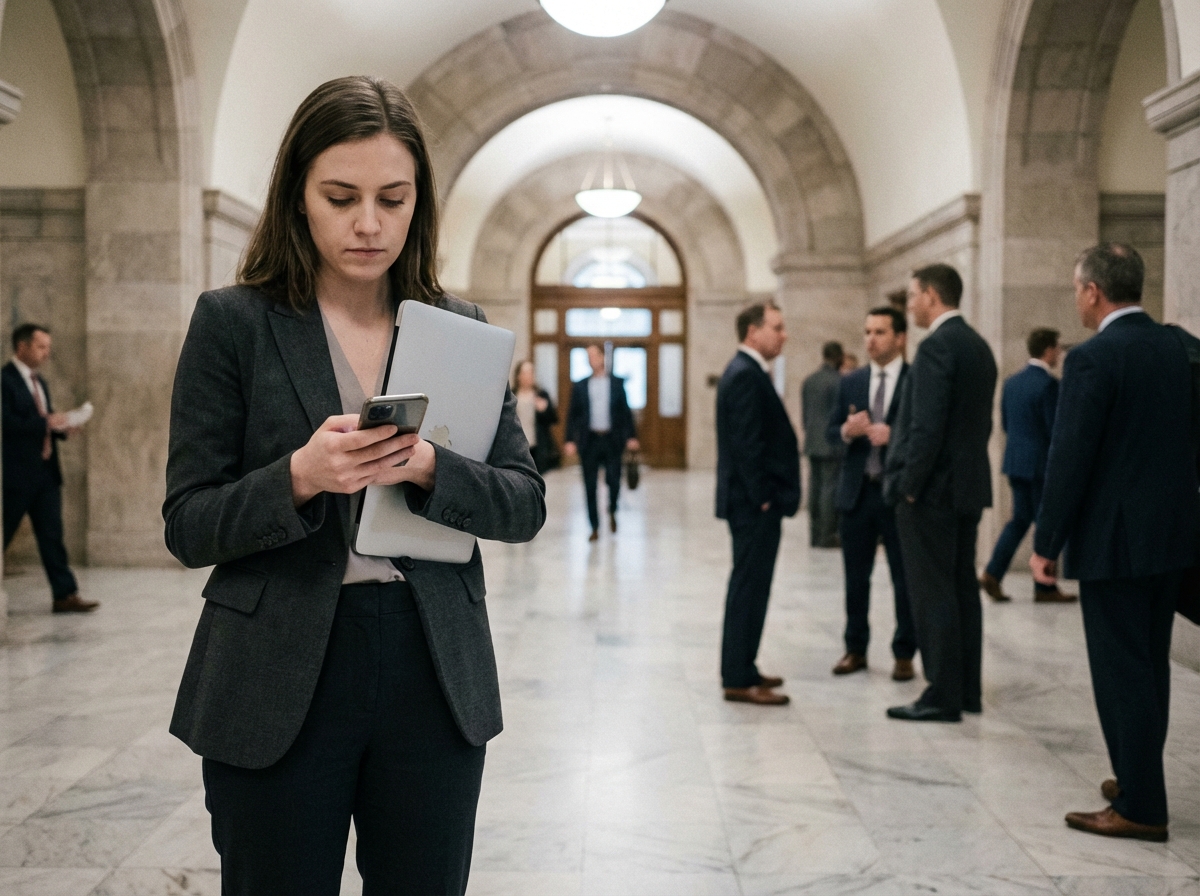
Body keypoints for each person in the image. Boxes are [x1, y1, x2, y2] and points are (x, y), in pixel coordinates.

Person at [162, 76, 546, 895]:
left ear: (419, 205)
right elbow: (188, 524)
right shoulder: (234, 323)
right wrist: (298, 477)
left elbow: (523, 501)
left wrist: (436, 469)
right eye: (341, 197)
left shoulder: (460, 328)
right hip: (276, 667)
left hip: (431, 660)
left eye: (392, 198)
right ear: (298, 196)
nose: (368, 223)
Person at [1031, 243, 1199, 842]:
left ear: (1094, 292)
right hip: (1174, 537)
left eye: (1078, 289)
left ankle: (1142, 806)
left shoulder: (1094, 358)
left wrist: (1045, 541)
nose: (1076, 299)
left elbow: (1070, 457)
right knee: (1150, 665)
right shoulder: (1178, 347)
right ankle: (1137, 776)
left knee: (1121, 672)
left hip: (1115, 541)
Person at [884, 263, 996, 722]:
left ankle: (942, 694)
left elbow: (925, 427)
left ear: (931, 295)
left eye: (912, 295)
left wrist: (909, 487)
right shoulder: (977, 346)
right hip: (968, 487)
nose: (909, 304)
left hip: (932, 493)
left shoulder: (935, 348)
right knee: (962, 588)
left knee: (933, 593)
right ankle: (966, 688)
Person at [715, 301, 800, 705]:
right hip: (753, 505)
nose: (783, 335)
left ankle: (745, 667)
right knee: (748, 587)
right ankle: (736, 676)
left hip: (752, 503)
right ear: (753, 332)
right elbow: (748, 446)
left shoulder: (747, 371)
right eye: (777, 327)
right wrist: (764, 497)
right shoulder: (746, 374)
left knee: (753, 586)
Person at [827, 307, 916, 681]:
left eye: (880, 332)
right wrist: (848, 431)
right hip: (858, 492)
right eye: (867, 332)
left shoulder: (916, 380)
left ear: (899, 338)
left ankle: (904, 652)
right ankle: (855, 648)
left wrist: (894, 437)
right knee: (855, 577)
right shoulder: (851, 381)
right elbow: (831, 433)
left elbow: (928, 436)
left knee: (903, 577)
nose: (871, 339)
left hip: (897, 495)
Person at [2, 324, 97, 613]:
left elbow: (42, 419)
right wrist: (48, 423)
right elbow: (7, 424)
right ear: (22, 347)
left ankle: (64, 594)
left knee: (52, 535)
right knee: (4, 532)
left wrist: (62, 428)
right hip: (17, 475)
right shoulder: (5, 381)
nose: (47, 353)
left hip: (45, 473)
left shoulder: (38, 382)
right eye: (41, 346)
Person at [980, 328, 1075, 604]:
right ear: (1047, 350)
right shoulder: (1049, 385)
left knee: (1020, 519)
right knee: (1045, 524)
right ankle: (1044, 586)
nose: (1059, 354)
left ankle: (993, 572)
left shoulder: (1011, 382)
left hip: (1016, 462)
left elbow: (1007, 425)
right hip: (1040, 465)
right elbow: (1054, 430)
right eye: (1057, 348)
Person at [563, 344, 639, 541]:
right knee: (589, 486)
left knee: (614, 480)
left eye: (594, 355)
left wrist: (631, 437)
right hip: (590, 442)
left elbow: (625, 412)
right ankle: (594, 526)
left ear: (603, 357)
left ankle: (612, 509)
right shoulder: (580, 385)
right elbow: (573, 415)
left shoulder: (615, 383)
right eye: (588, 356)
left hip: (612, 440)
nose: (591, 359)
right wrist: (569, 439)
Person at [801, 341, 844, 548]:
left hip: (812, 442)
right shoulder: (838, 381)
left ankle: (814, 535)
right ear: (838, 357)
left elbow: (805, 415)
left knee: (815, 488)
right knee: (829, 489)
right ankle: (827, 536)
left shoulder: (809, 381)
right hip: (831, 444)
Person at [512, 359, 559, 474]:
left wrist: (544, 410)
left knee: (537, 478)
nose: (529, 376)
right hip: (517, 445)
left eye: (531, 372)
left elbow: (553, 419)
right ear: (518, 376)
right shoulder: (512, 395)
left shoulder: (541, 394)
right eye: (525, 372)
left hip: (537, 445)